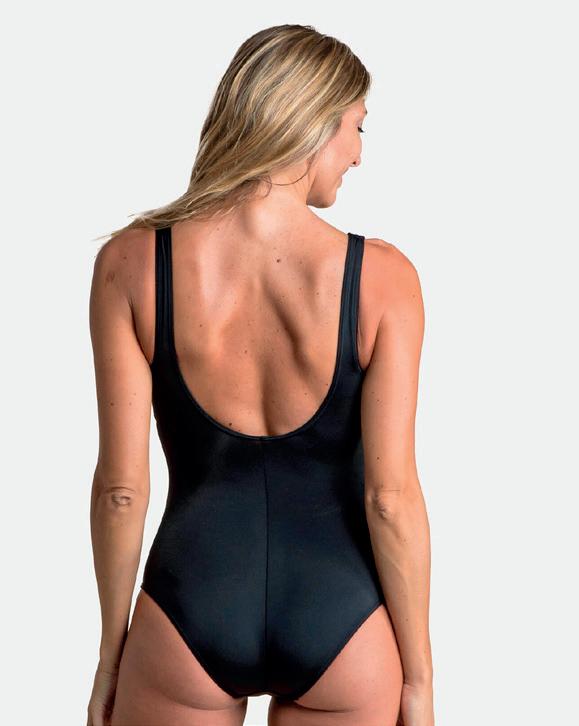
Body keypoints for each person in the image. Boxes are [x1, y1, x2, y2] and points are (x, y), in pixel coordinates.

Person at [86, 23, 433, 726]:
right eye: (357, 127)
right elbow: (390, 499)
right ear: (311, 123)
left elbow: (121, 492)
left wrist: (111, 656)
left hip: (187, 607)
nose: (359, 154)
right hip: (344, 622)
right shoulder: (383, 281)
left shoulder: (130, 265)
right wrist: (418, 679)